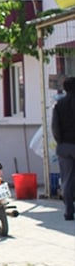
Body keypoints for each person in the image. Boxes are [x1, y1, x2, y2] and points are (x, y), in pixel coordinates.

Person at [51, 76, 75, 221]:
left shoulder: (59, 105)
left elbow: (55, 127)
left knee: (67, 179)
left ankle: (68, 211)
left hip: (65, 146)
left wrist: (60, 142)